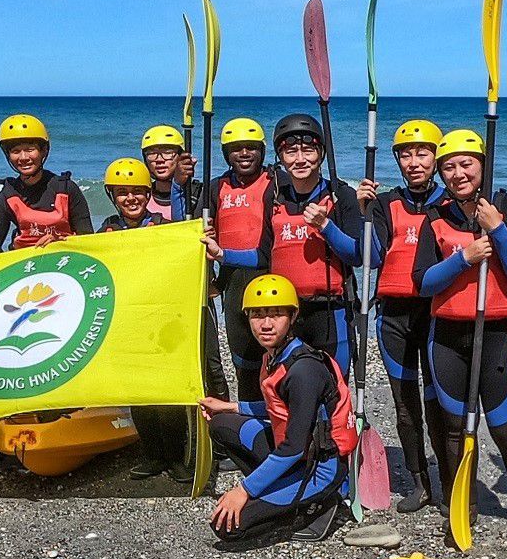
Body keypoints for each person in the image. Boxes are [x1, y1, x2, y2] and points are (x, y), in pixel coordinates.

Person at [414, 128, 507, 539]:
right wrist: (464, 257)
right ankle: (463, 502)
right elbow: (423, 282)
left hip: (500, 336)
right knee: (455, 430)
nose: (457, 173)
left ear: (482, 165)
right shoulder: (435, 218)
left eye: (466, 164)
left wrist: (498, 230)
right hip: (448, 339)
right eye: (448, 166)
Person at [200, 274, 355, 546]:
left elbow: (294, 447)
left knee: (226, 529)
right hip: (294, 453)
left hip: (319, 467)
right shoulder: (276, 356)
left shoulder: (304, 370)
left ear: (293, 317)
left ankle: (320, 504)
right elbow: (279, 408)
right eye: (258, 315)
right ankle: (277, 487)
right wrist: (230, 405)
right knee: (221, 424)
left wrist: (243, 490)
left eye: (276, 315)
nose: (267, 324)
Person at [356, 119, 450, 512]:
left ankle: (448, 481)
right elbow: (373, 255)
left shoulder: (453, 202)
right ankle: (419, 482)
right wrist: (363, 214)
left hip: (436, 314)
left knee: (439, 403)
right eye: (406, 155)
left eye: (423, 153)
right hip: (393, 315)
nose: (414, 162)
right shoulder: (384, 203)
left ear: (437, 157)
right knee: (405, 404)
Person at [99, 158, 193, 481]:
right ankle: (153, 455)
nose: (131, 199)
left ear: (148, 193)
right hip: (128, 321)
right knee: (139, 394)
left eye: (137, 192)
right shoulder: (106, 230)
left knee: (166, 394)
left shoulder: (161, 226)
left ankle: (177, 457)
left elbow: (184, 250)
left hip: (161, 322)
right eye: (123, 193)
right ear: (113, 196)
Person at [260, 112, 362, 376]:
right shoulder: (273, 199)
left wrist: (326, 226)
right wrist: (222, 254)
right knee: (291, 394)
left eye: (309, 150)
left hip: (331, 312)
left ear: (322, 153)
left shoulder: (342, 196)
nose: (300, 159)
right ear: (280, 158)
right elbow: (262, 256)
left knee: (334, 394)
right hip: (286, 312)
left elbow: (358, 255)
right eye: (291, 152)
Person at [207, 118, 272, 402]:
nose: (244, 154)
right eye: (236, 149)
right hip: (233, 285)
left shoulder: (276, 183)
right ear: (226, 153)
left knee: (276, 363)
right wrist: (179, 184)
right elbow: (194, 231)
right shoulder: (215, 187)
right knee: (244, 364)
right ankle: (250, 431)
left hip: (270, 280)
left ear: (262, 151)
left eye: (250, 148)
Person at [0, 113, 93, 254]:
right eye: (15, 151)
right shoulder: (7, 195)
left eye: (30, 150)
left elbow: (88, 240)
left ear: (44, 151)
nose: (23, 157)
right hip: (25, 267)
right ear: (8, 155)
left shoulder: (66, 189)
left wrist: (59, 241)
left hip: (65, 261)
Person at [140, 125, 190, 220]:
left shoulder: (196, 194)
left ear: (181, 157)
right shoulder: (140, 197)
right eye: (152, 153)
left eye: (167, 152)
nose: (159, 160)